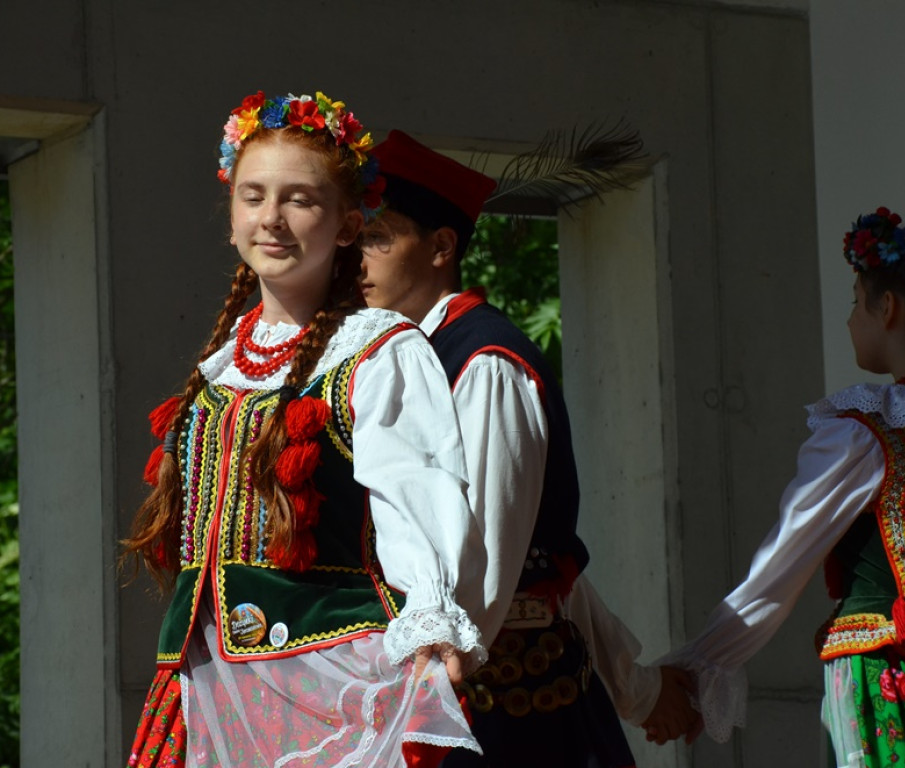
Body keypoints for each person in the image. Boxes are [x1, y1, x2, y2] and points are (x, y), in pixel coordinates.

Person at [121, 91, 489, 768]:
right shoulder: (226, 356)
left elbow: (417, 498)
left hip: (325, 671)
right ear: (230, 216)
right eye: (254, 196)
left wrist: (430, 615)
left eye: (300, 199)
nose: (272, 218)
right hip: (201, 673)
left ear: (348, 226)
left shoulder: (378, 350)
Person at [358, 129, 696, 767]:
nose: (359, 259)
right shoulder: (404, 361)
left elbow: (492, 559)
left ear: (440, 246)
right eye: (356, 238)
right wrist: (641, 690)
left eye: (379, 236)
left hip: (499, 709)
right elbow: (548, 569)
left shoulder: (485, 364)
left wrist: (424, 694)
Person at [663, 207, 905, 766]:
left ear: (888, 307)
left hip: (896, 682)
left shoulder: (865, 434)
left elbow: (778, 571)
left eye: (856, 302)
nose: (852, 319)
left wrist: (695, 669)